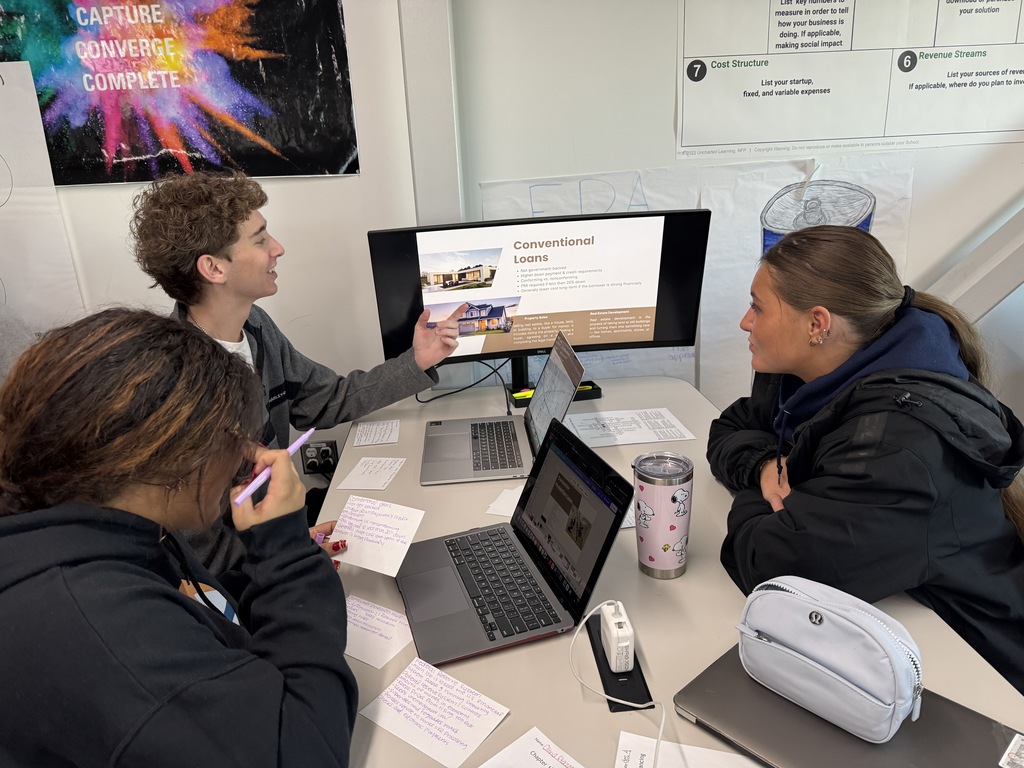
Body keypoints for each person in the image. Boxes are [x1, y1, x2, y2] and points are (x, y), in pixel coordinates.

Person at [0, 308, 358, 766]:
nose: (244, 456)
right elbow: (307, 753)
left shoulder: (91, 526)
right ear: (174, 455)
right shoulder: (99, 625)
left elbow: (206, 608)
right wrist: (286, 553)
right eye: (232, 438)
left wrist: (268, 575)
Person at [707, 224, 1024, 694]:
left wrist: (757, 496)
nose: (745, 322)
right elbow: (732, 427)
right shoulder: (811, 371)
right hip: (901, 620)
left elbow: (769, 566)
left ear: (817, 324)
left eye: (757, 307)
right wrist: (764, 467)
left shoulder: (899, 451)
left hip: (978, 674)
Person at [130, 170, 466, 576]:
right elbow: (201, 546)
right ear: (213, 268)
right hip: (254, 582)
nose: (278, 248)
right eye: (259, 239)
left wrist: (415, 362)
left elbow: (327, 399)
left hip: (285, 540)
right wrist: (291, 559)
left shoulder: (256, 328)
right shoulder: (175, 386)